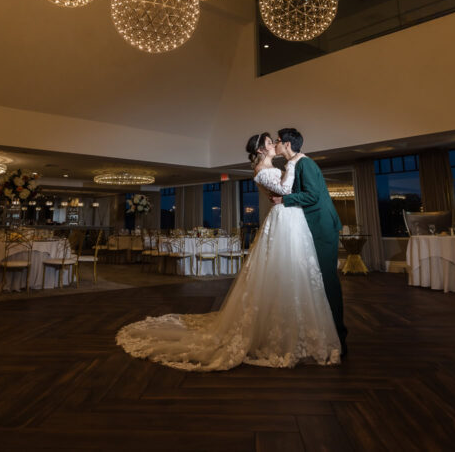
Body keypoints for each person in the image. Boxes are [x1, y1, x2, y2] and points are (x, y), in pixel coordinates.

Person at [115, 132, 341, 371]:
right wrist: (294, 164)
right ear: (261, 151)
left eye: (275, 141)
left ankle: (294, 326)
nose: (273, 144)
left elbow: (290, 191)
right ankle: (279, 331)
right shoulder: (264, 170)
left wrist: (291, 167)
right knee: (282, 267)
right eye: (268, 142)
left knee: (293, 269)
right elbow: (285, 189)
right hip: (284, 218)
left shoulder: (275, 165)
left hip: (290, 218)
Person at [269, 128, 348, 354]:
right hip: (311, 226)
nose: (275, 144)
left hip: (322, 226)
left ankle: (339, 337)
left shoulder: (306, 164)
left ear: (287, 144)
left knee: (326, 278)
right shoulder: (294, 164)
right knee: (315, 278)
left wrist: (285, 199)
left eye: (277, 141)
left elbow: (312, 195)